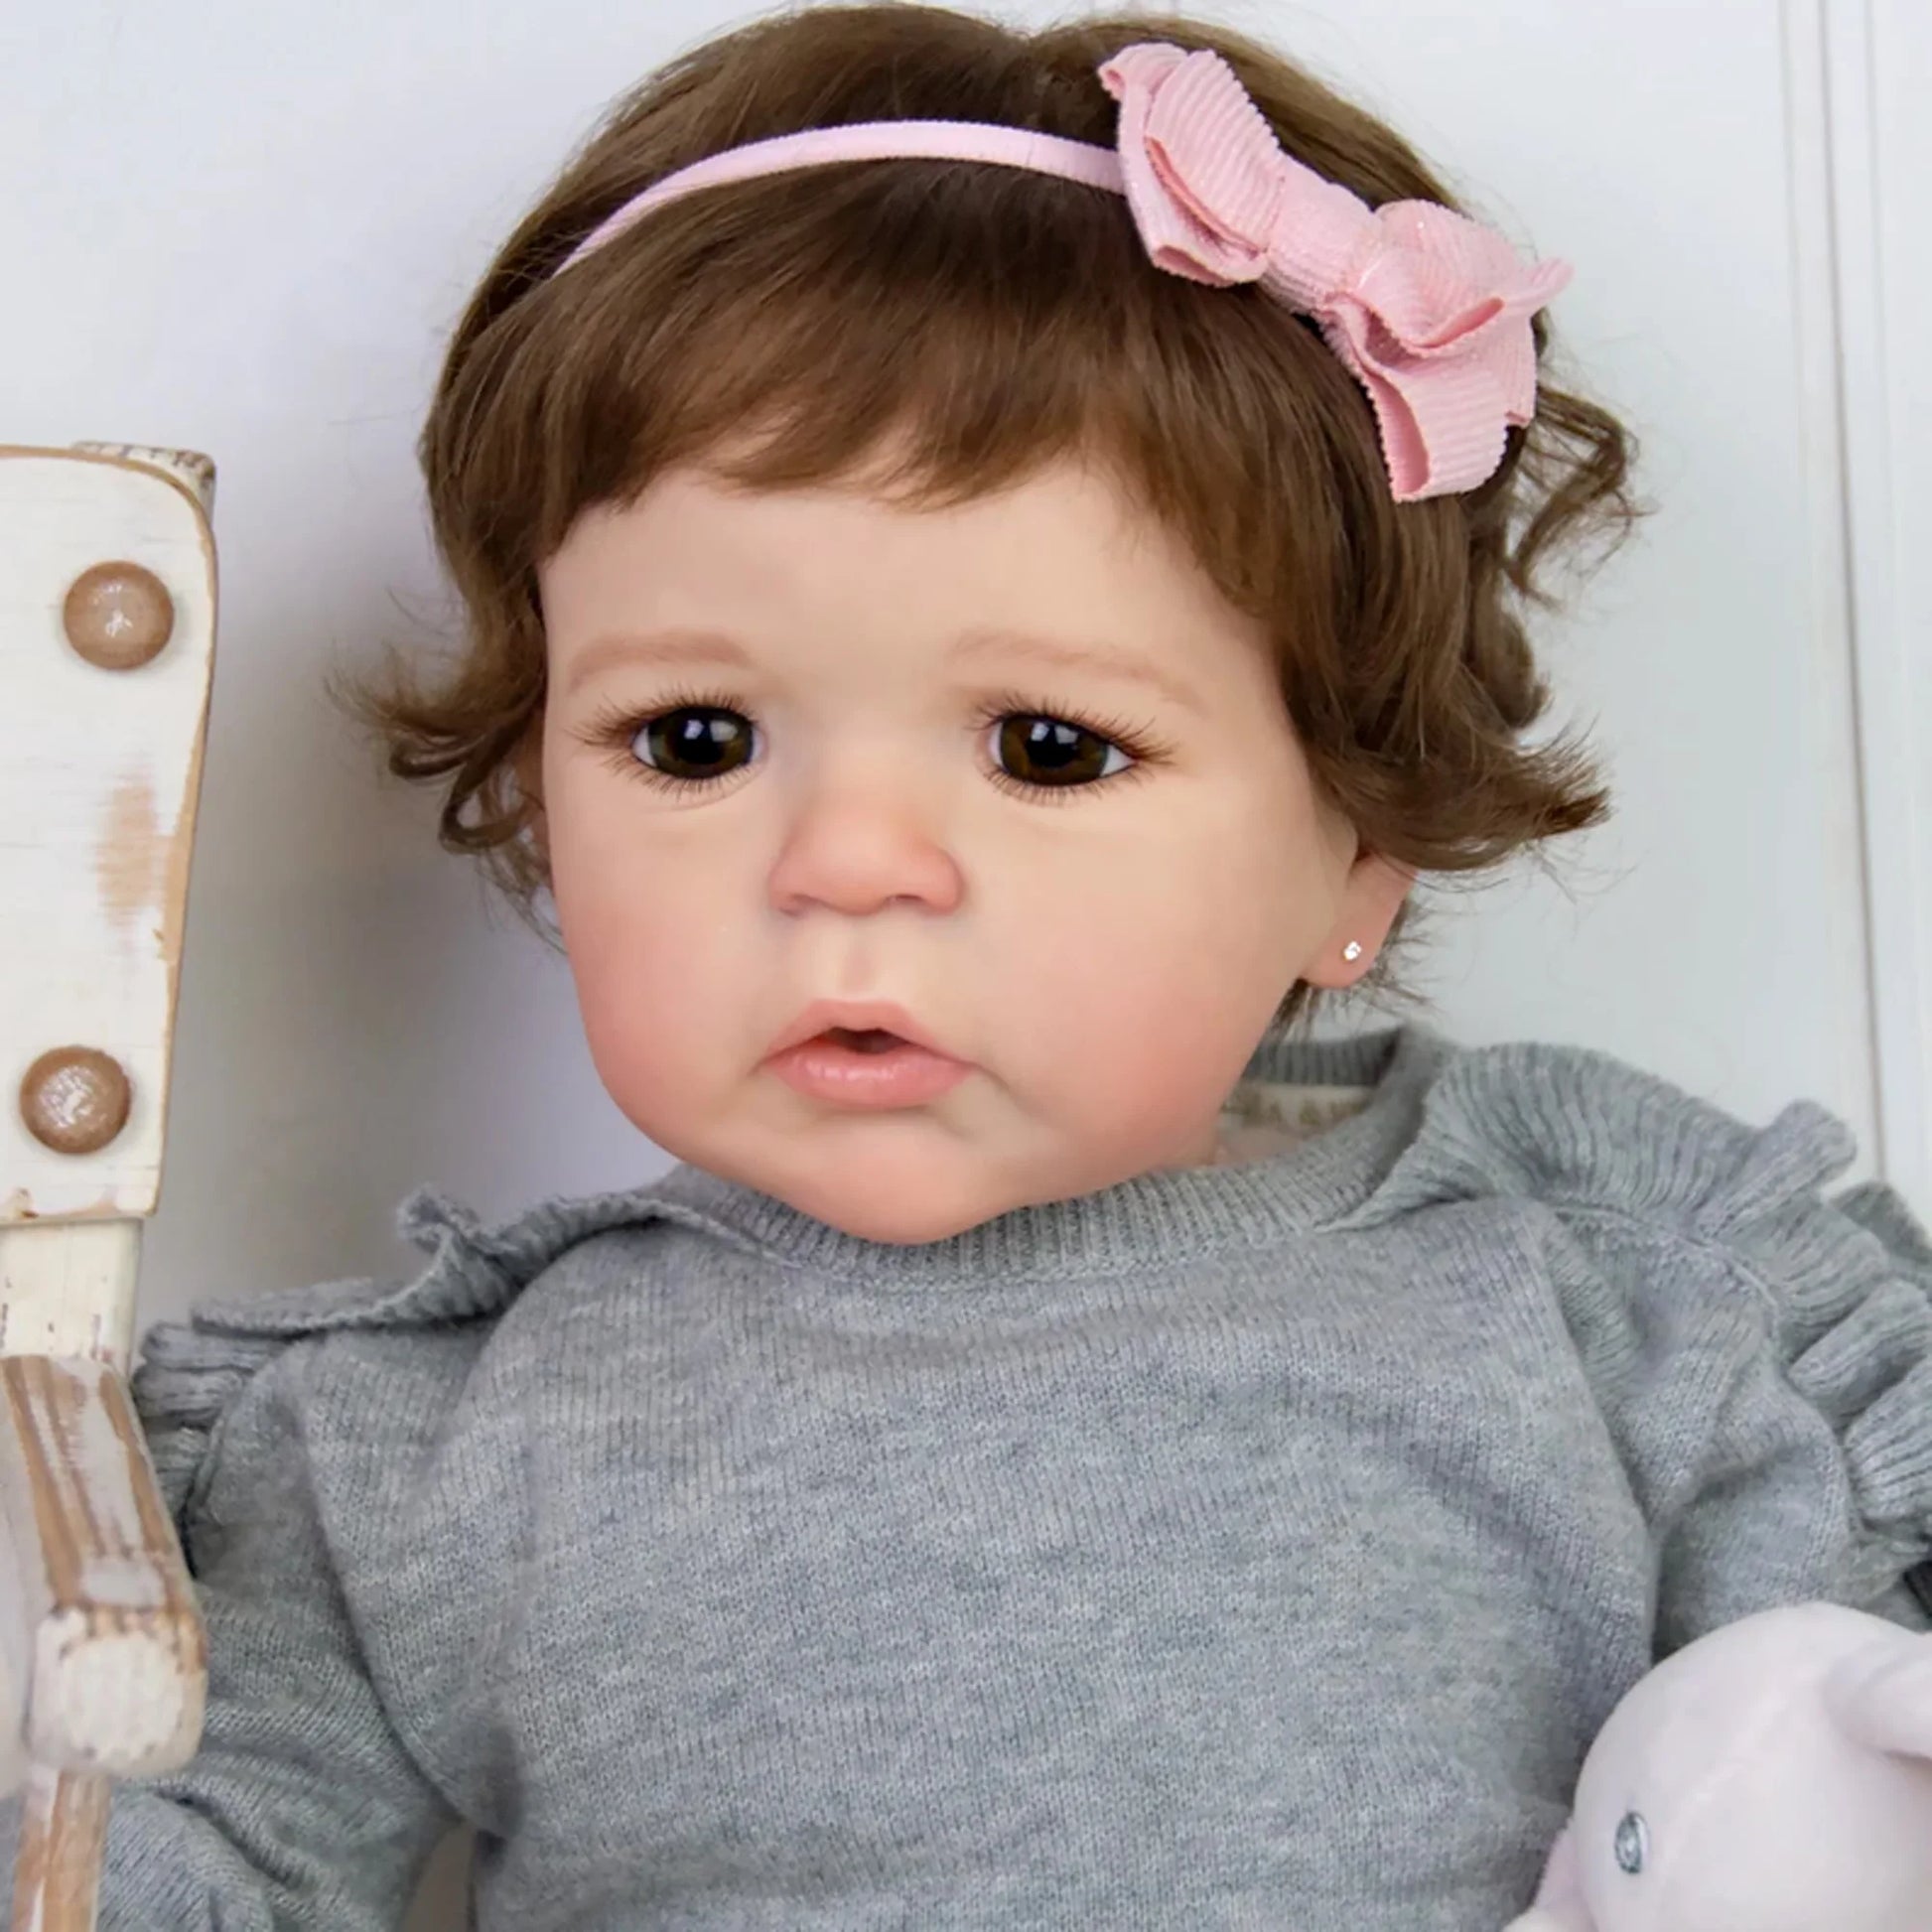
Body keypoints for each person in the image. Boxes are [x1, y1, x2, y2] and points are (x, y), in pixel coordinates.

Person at [6, 4, 1928, 1926]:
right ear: (537, 796)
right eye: (692, 739)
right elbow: (139, 1873)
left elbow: (1839, 1802)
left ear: (1360, 845)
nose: (845, 863)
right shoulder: (421, 1445)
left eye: (1048, 748)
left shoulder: (1638, 1305)